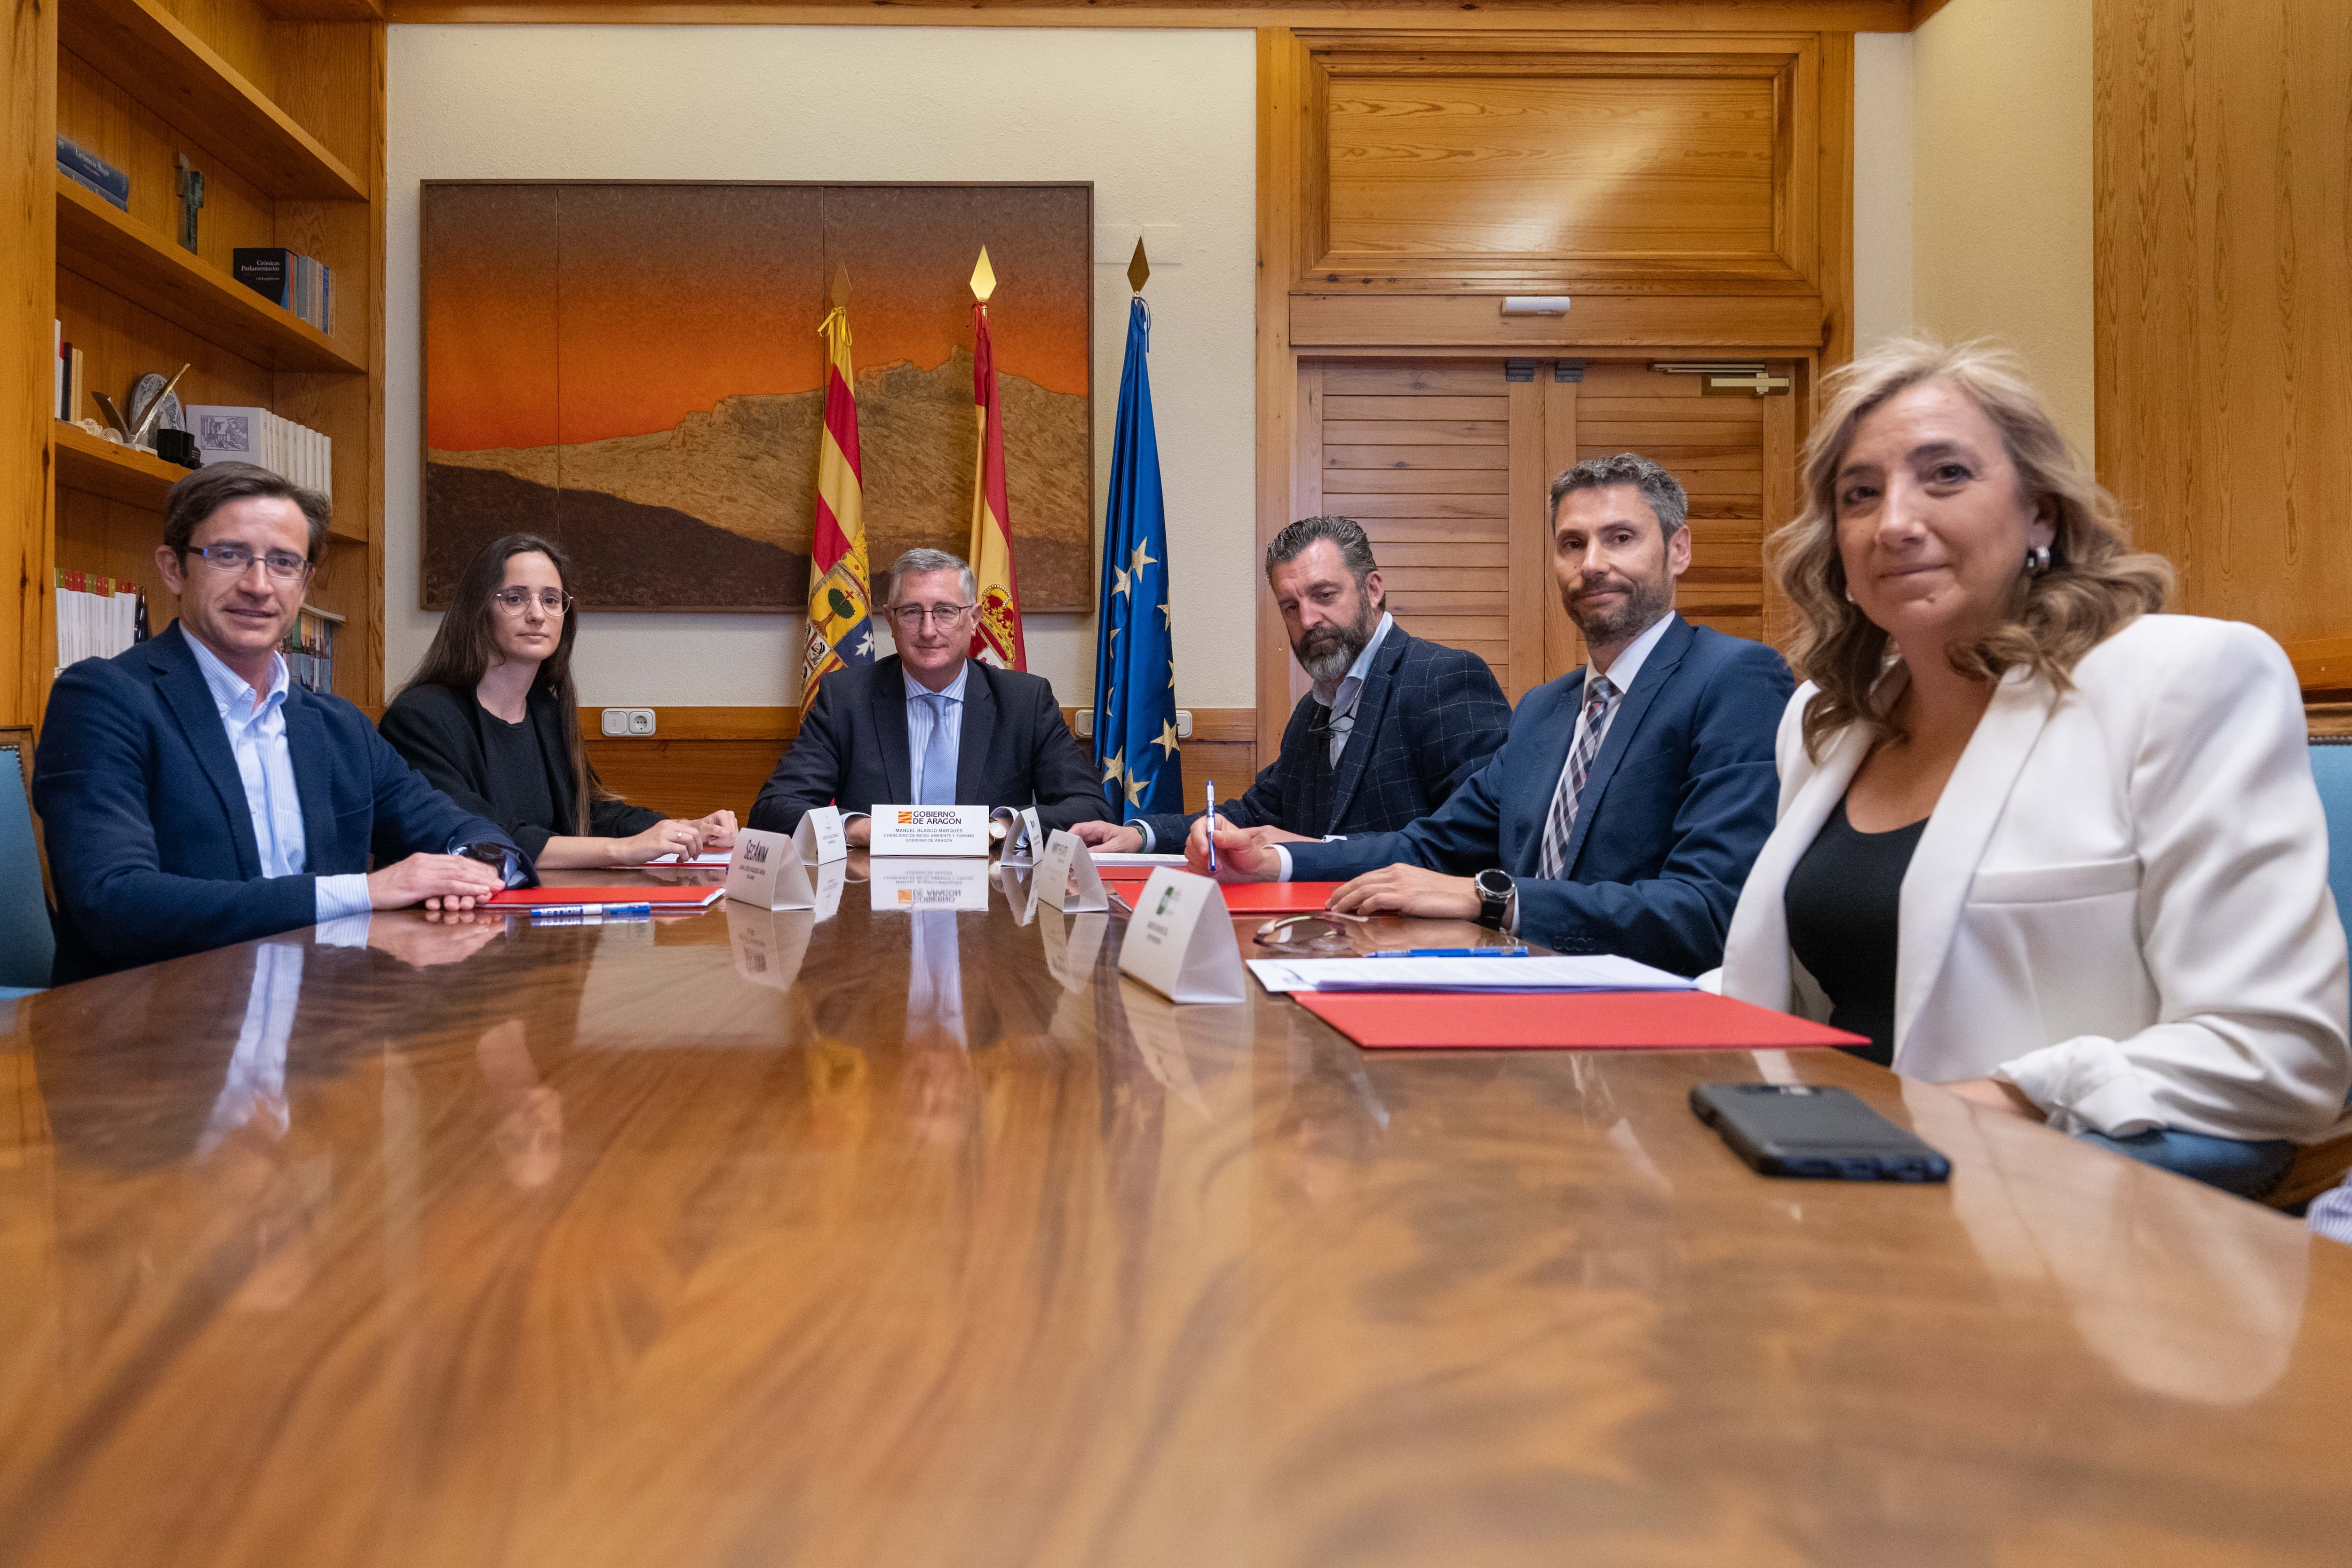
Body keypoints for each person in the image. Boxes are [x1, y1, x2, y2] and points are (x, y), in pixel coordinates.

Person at [1715, 339, 2351, 1197]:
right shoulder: (1825, 720)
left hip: (2040, 1216)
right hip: (1815, 1174)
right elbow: (1790, 989)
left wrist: (1983, 1103)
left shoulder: (2186, 678)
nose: (1895, 521)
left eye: (1946, 475)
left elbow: (2278, 1049)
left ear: (2041, 515)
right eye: (1859, 494)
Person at [1193, 453, 1791, 977]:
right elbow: (1428, 847)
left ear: (1678, 549)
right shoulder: (1544, 710)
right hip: (1509, 989)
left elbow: (1710, 911)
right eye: (1571, 544)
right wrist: (1274, 860)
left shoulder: (1733, 677)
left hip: (1647, 1021)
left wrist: (1492, 899)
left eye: (1620, 539)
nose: (1591, 564)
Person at [33, 463, 528, 984]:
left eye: (285, 563)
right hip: (149, 1030)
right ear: (174, 568)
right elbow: (114, 902)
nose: (258, 585)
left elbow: (460, 828)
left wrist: (477, 869)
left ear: (306, 582)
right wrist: (362, 891)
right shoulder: (105, 700)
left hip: (316, 1024)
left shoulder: (337, 726)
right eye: (228, 556)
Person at [1073, 515, 1509, 856]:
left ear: (1373, 589)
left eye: (1324, 595)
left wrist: (1307, 853)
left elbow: (1474, 838)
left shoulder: (1446, 677)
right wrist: (1139, 835)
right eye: (1290, 605)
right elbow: (1254, 815)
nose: (1307, 621)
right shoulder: (1312, 711)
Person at [379, 533, 737, 867]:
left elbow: (591, 815)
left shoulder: (546, 712)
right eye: (515, 598)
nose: (537, 614)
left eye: (551, 600)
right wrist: (624, 850)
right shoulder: (420, 717)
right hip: (447, 923)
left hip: (540, 914)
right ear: (478, 609)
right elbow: (482, 839)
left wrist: (686, 830)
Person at [750, 548, 1112, 843]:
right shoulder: (846, 699)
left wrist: (1002, 827)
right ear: (890, 620)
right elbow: (772, 810)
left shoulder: (1024, 702)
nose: (928, 630)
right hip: (871, 906)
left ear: (974, 619)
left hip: (992, 909)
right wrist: (859, 829)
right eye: (911, 612)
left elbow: (1089, 808)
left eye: (945, 612)